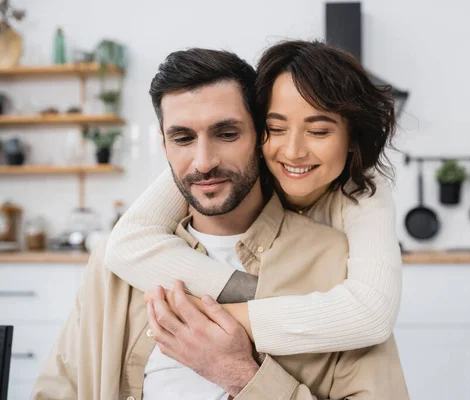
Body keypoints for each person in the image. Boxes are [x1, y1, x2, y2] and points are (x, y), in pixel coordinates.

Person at [32, 48, 409, 399]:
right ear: (164, 145)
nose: (203, 161)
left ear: (255, 134)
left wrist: (240, 374)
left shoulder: (337, 267)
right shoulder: (115, 267)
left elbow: (372, 315)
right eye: (182, 137)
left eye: (227, 133)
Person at [104, 39, 402, 356]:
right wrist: (250, 290)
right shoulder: (222, 166)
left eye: (318, 132)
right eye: (275, 128)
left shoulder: (365, 189)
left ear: (353, 138)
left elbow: (372, 314)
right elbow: (127, 244)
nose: (293, 152)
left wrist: (209, 320)